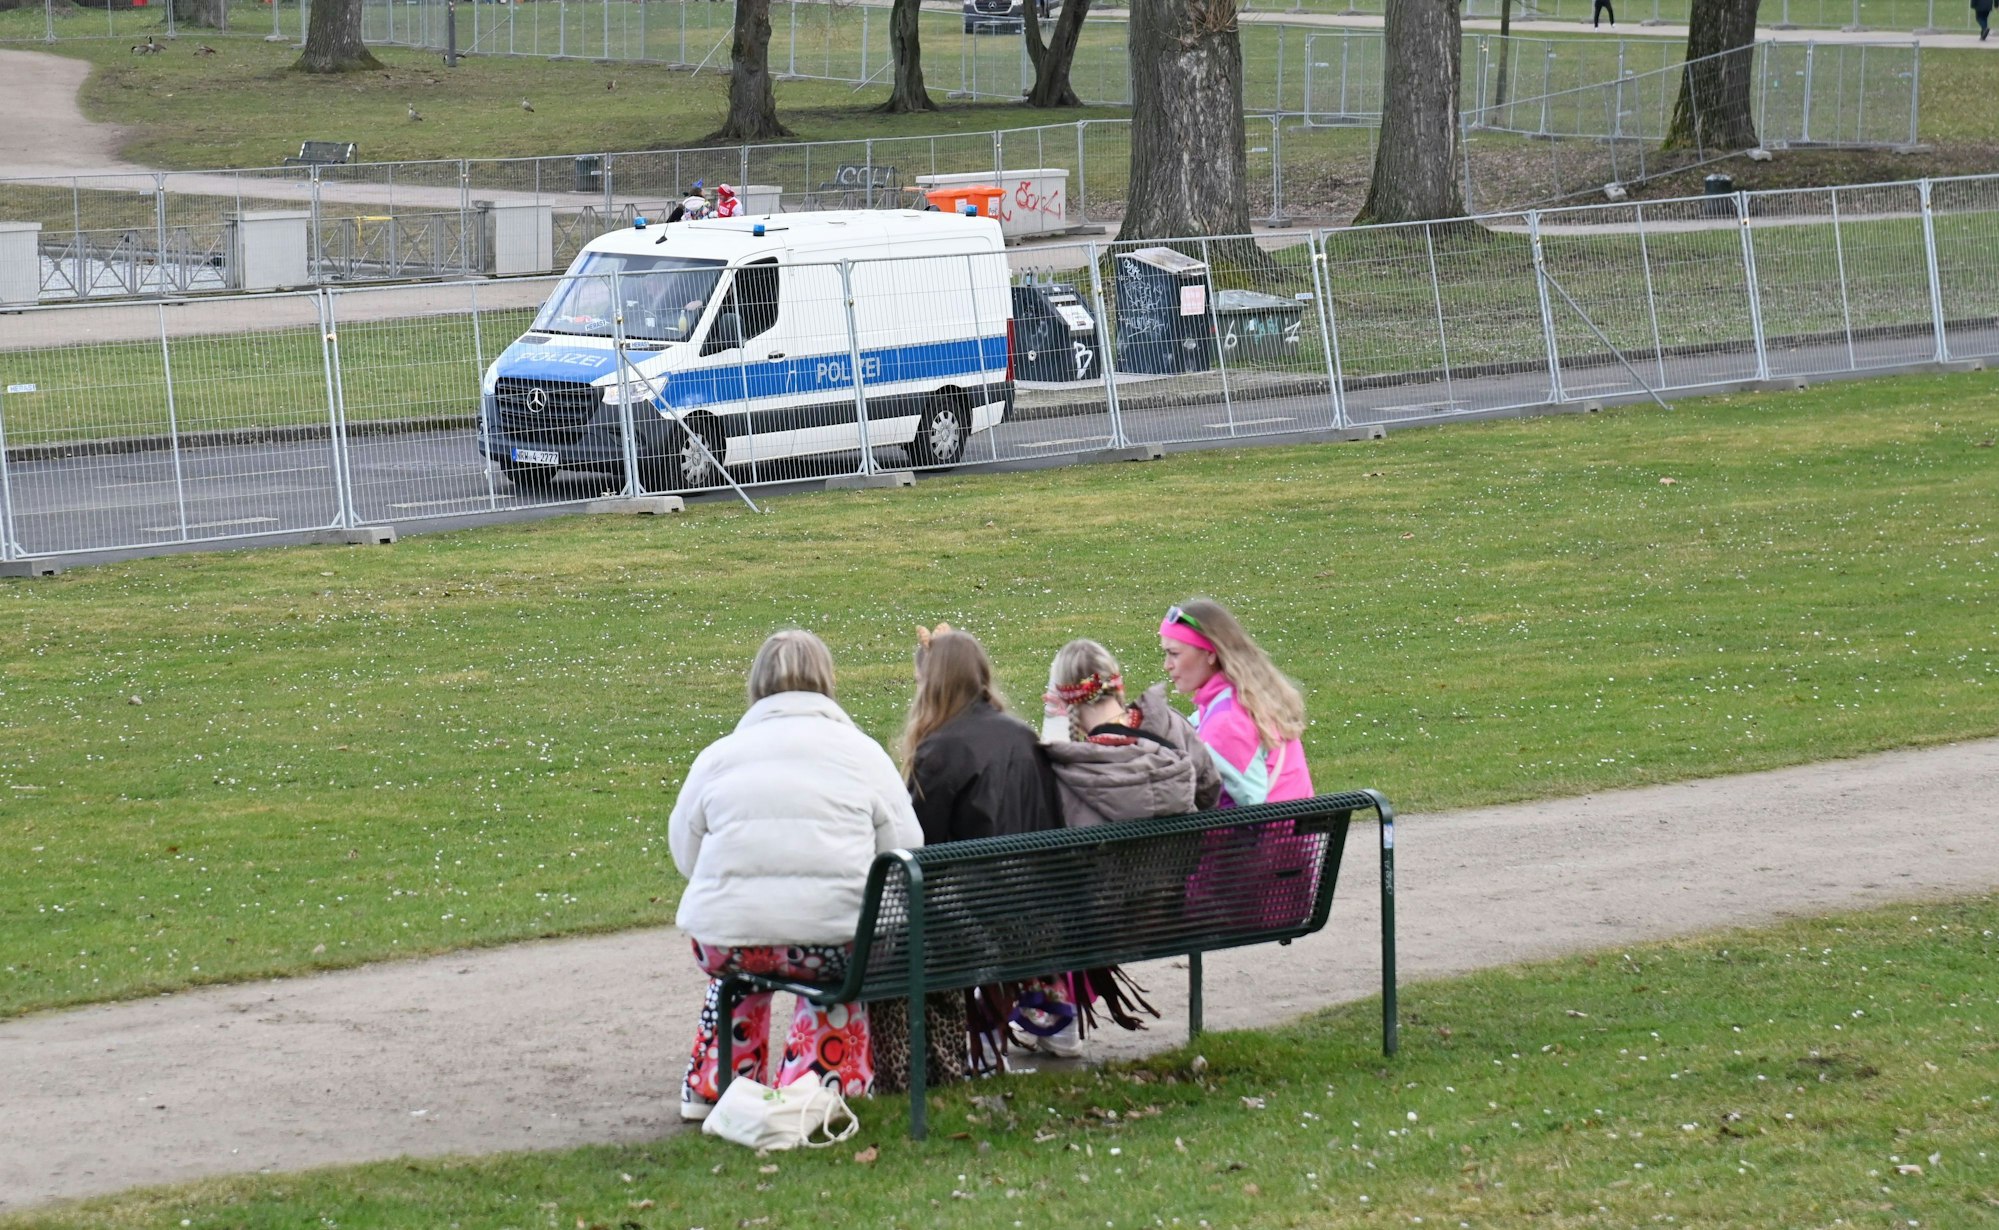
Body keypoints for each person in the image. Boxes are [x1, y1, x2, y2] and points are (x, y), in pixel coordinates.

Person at [668, 629, 923, 1122]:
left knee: (738, 977)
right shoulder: (862, 754)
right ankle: (821, 1080)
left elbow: (687, 854)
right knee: (835, 971)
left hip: (731, 941)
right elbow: (906, 849)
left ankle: (716, 1082)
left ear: (757, 685)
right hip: (833, 945)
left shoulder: (719, 756)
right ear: (827, 682)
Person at [870, 624, 1063, 1090]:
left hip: (977, 922)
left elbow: (917, 847)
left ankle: (915, 1075)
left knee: (885, 951)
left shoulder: (939, 750)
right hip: (1041, 915)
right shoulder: (1022, 735)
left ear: (931, 685)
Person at [1016, 639, 1221, 1057]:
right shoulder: (1173, 728)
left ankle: (1052, 1015)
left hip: (1098, 919)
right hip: (1169, 906)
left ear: (1065, 696)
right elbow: (1210, 791)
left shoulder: (1068, 768)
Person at [1159, 599, 1313, 807]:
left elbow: (1251, 809)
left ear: (1210, 653)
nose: (1167, 665)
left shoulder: (1227, 720)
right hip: (1293, 833)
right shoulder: (1242, 699)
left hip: (1268, 838)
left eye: (1174, 653)